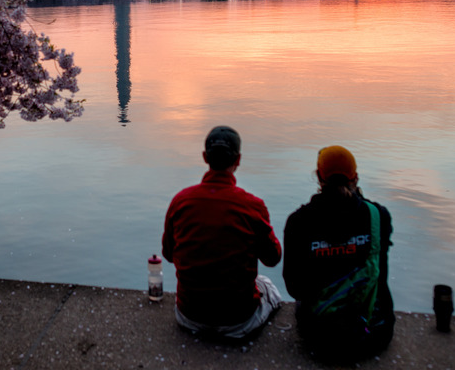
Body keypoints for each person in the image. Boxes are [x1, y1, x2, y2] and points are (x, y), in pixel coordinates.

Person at [162, 126, 282, 339]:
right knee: (267, 285)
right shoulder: (252, 206)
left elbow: (169, 255)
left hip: (189, 316)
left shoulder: (180, 202)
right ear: (238, 160)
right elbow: (273, 258)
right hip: (238, 322)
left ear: (204, 157)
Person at [283, 145, 395, 361]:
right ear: (356, 177)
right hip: (374, 334)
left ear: (319, 177)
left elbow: (294, 289)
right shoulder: (379, 216)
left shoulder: (299, 221)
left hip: (321, 337)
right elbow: (380, 275)